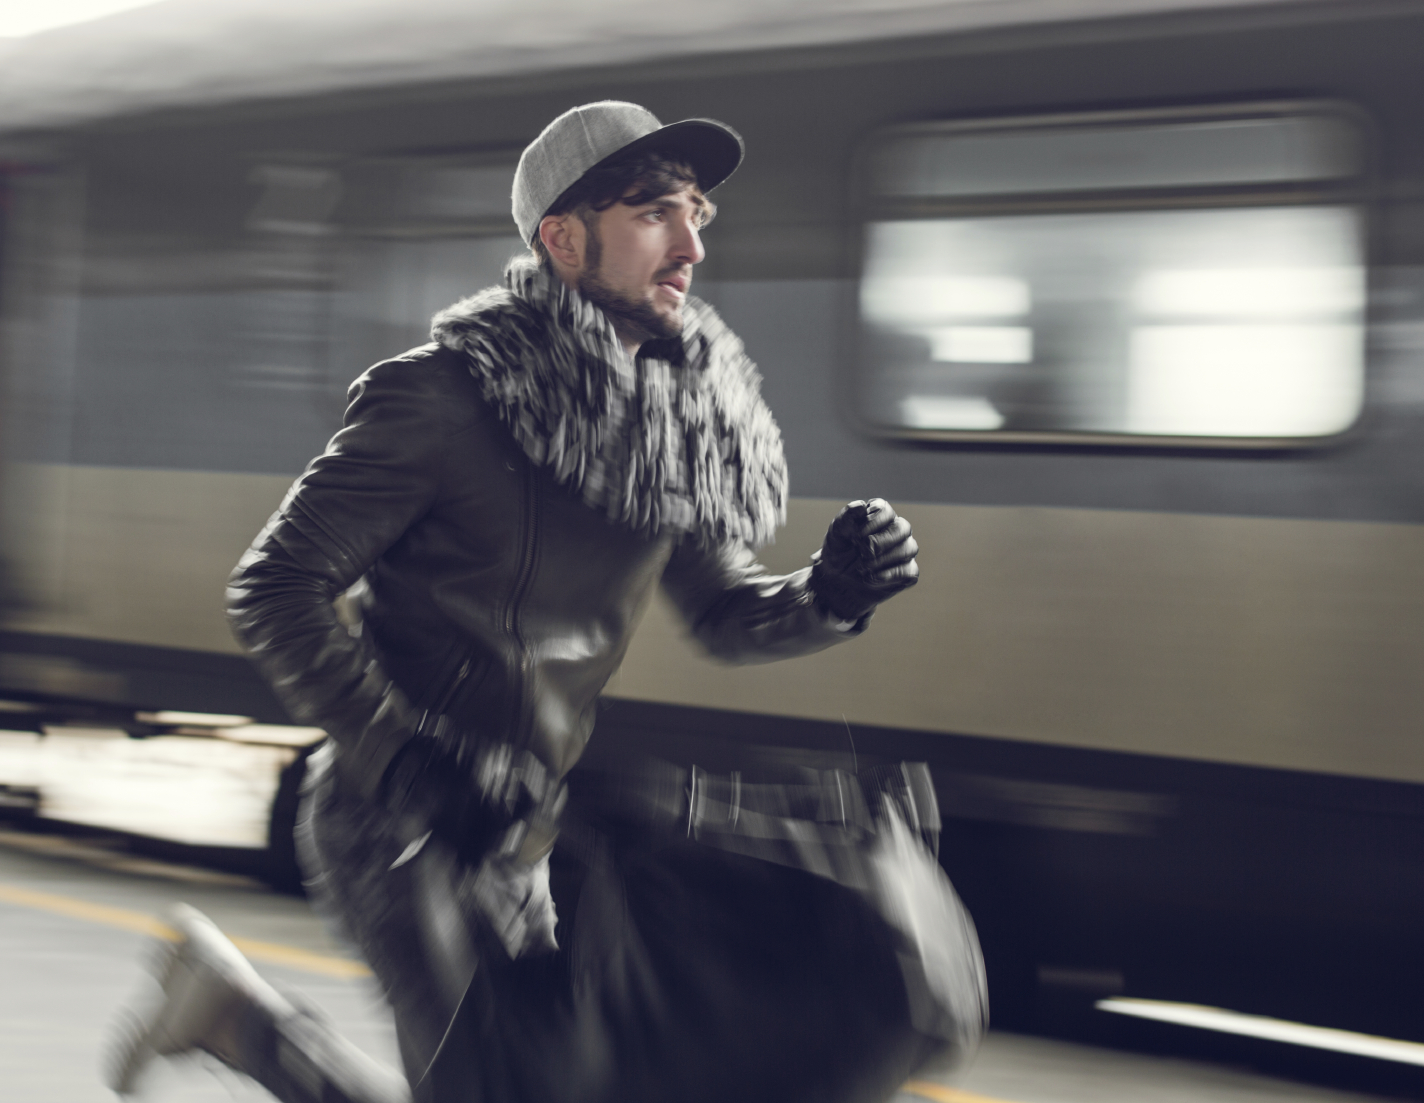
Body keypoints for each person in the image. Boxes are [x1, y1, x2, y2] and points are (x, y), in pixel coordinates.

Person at [105, 101, 985, 1103]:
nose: (691, 242)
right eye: (654, 212)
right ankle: (239, 1024)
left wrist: (829, 594)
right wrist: (411, 766)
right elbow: (274, 587)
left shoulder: (671, 422)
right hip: (399, 818)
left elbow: (724, 615)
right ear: (563, 240)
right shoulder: (436, 398)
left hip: (532, 823)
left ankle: (230, 1015)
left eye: (695, 210)